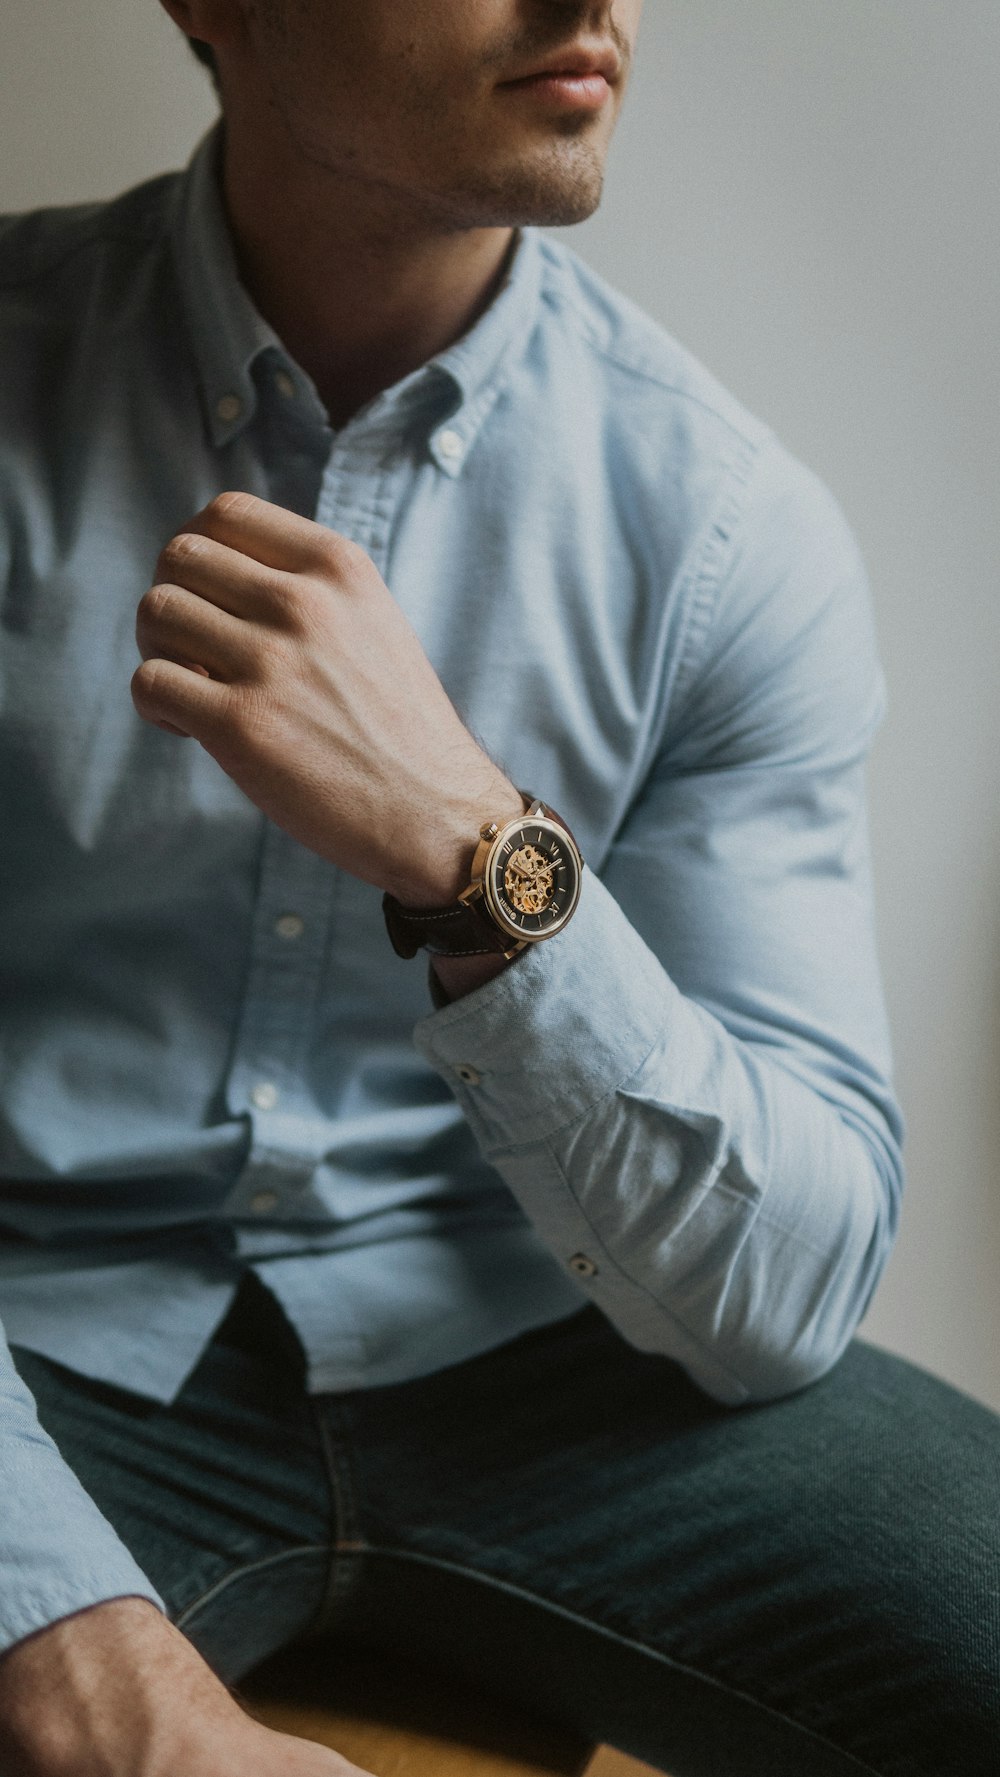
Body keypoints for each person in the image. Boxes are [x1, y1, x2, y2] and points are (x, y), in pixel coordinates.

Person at [0, 2, 997, 1773]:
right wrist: (97, 1680)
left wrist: (485, 854)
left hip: (542, 1353)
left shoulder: (723, 534)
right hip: (41, 1342)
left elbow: (790, 1293)